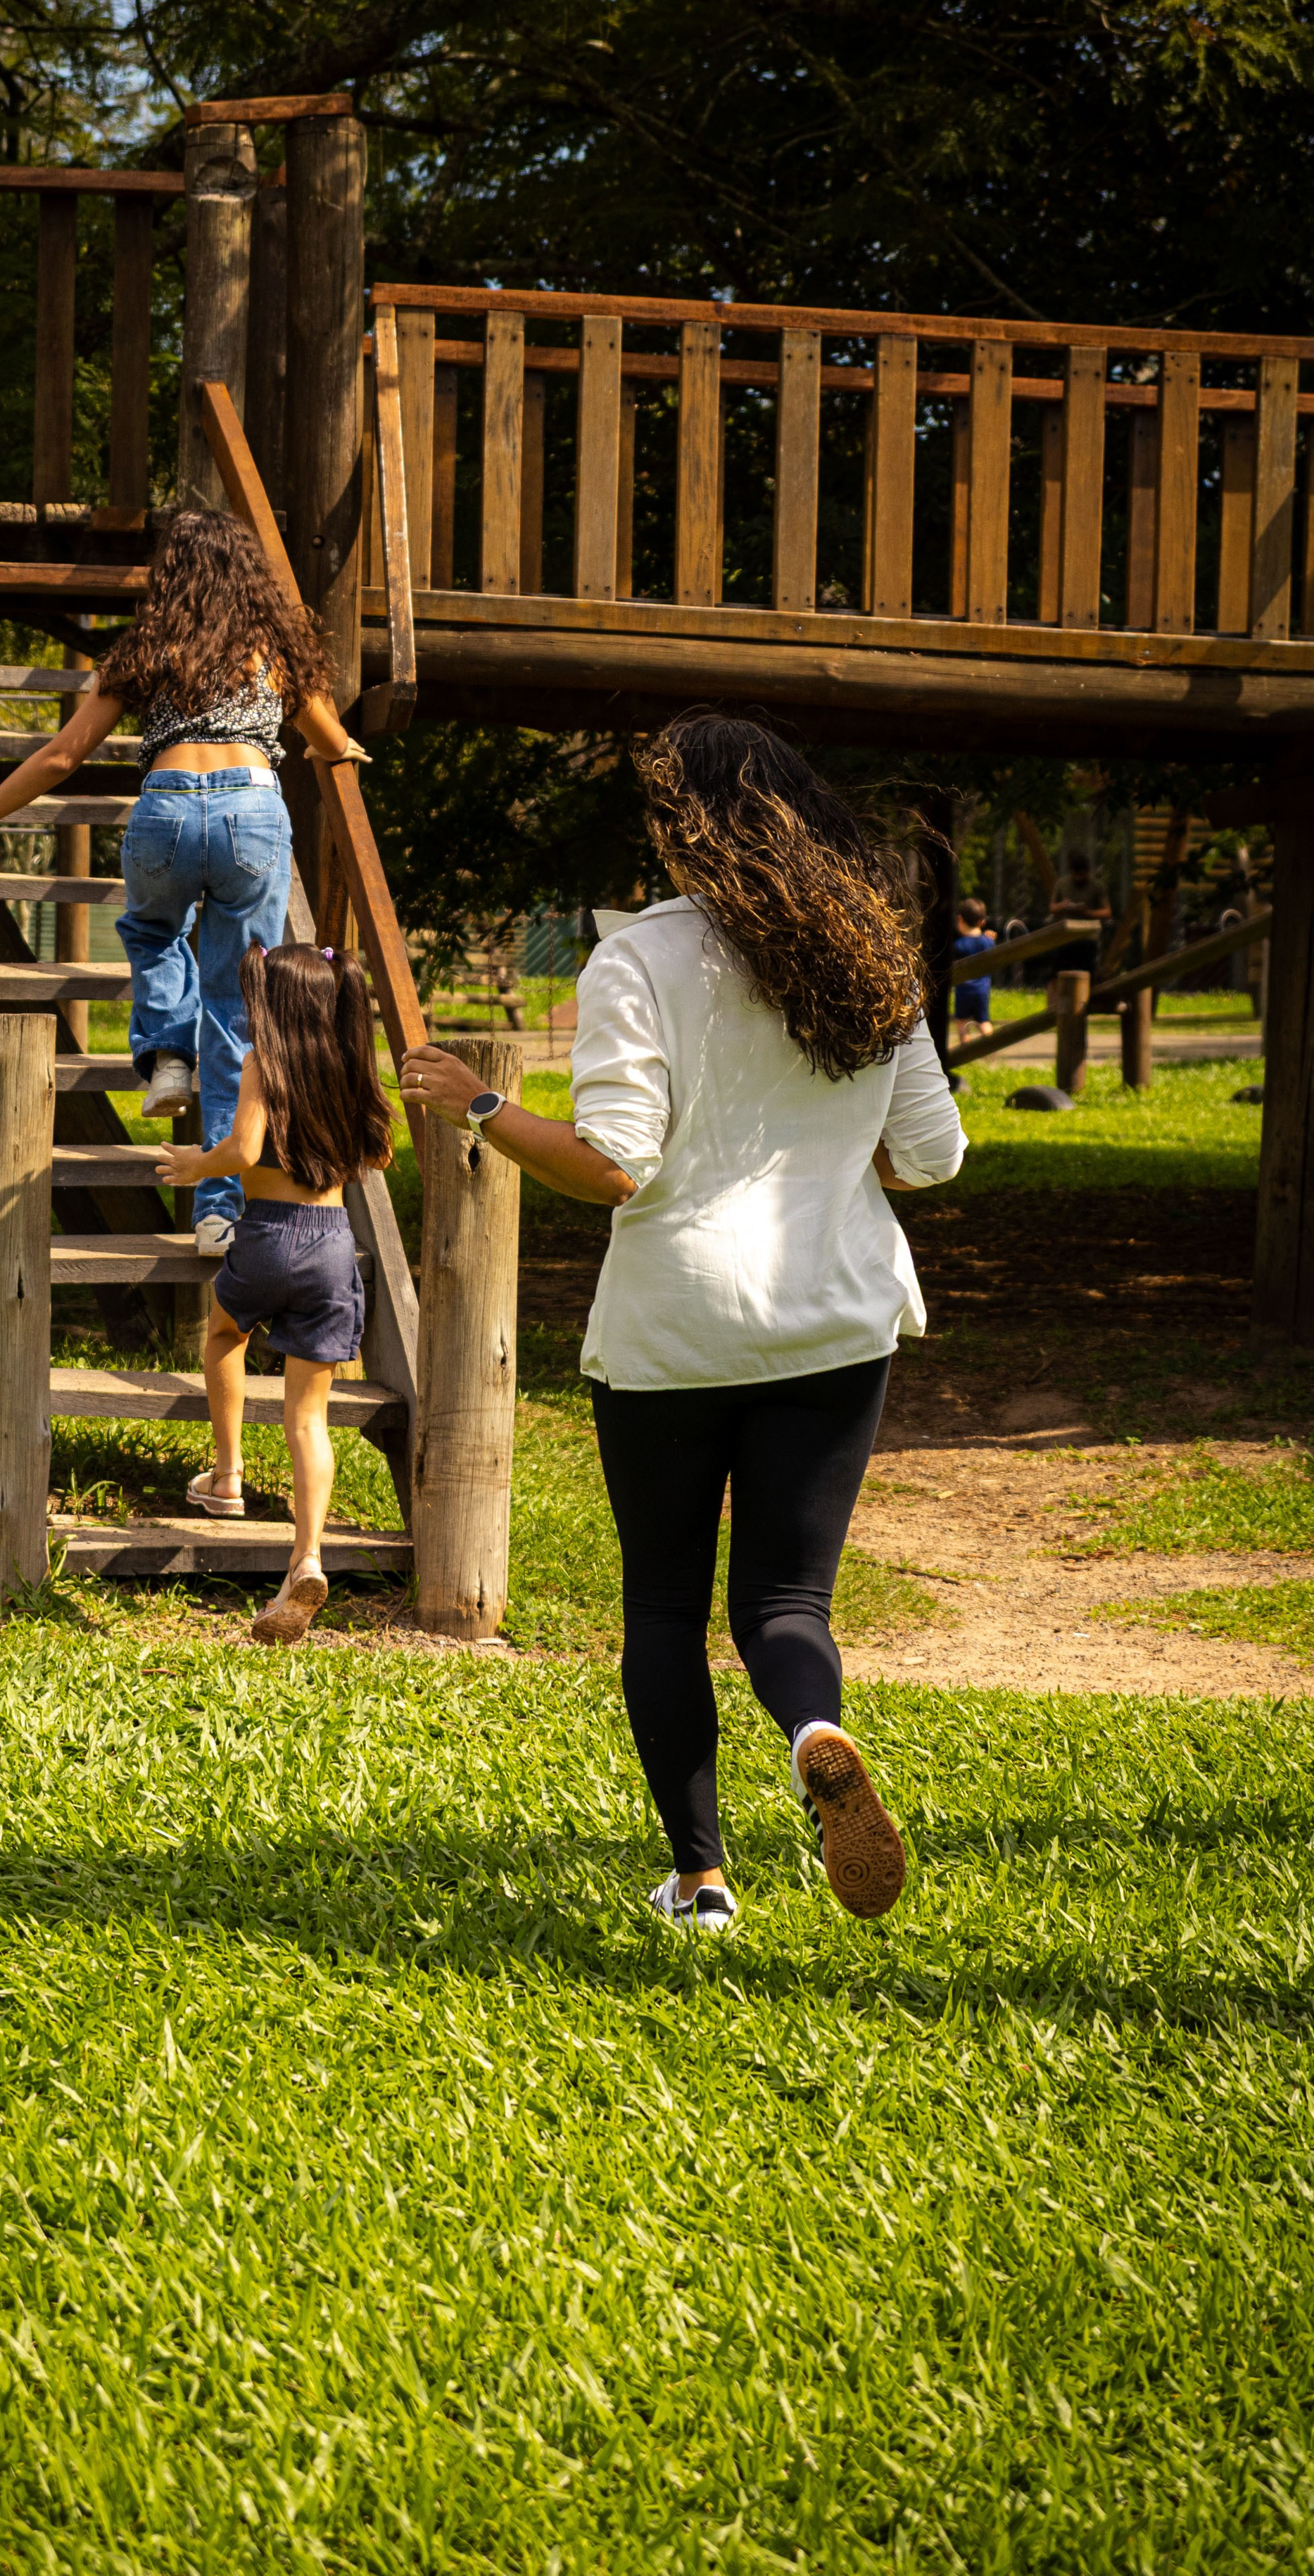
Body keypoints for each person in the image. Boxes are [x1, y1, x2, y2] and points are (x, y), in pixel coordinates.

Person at [400, 716, 966, 1935]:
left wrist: (481, 1103)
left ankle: (702, 1879)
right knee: (785, 1605)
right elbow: (934, 1152)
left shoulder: (641, 959)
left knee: (664, 1608)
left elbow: (613, 1164)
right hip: (835, 1323)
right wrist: (819, 1163)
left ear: (681, 826)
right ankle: (818, 1732)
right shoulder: (872, 954)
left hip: (675, 1335)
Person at [0, 510, 369, 1257]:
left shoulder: (149, 649)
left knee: (153, 932)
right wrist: (349, 750)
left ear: (170, 578)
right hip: (252, 808)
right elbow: (327, 739)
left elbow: (62, 758)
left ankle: (166, 1057)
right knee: (240, 1006)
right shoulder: (272, 649)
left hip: (167, 809)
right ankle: (219, 1215)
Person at [157, 941, 394, 1645]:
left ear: (277, 1007)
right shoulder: (349, 1066)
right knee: (308, 1418)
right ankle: (306, 1558)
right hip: (330, 1243)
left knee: (226, 1335)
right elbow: (376, 1155)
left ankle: (227, 1474)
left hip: (269, 1235)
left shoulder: (266, 1063)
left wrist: (194, 1164)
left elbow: (244, 1151)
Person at [1046, 849, 1110, 1006]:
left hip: (1088, 938)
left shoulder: (1097, 886)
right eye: (1076, 875)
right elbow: (1052, 908)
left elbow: (1107, 912)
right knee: (1056, 974)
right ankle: (1052, 1008)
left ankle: (1085, 1006)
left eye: (1082, 875)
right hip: (1066, 937)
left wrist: (1086, 912)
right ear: (1071, 872)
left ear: (1087, 872)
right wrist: (1062, 906)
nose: (1079, 878)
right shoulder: (1062, 884)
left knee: (1088, 975)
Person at [952, 896, 997, 1045]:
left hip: (963, 990)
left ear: (960, 920)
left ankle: (965, 1051)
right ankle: (991, 1049)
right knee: (984, 1021)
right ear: (982, 922)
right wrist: (991, 939)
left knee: (962, 1022)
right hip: (982, 990)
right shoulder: (988, 942)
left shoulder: (958, 945)